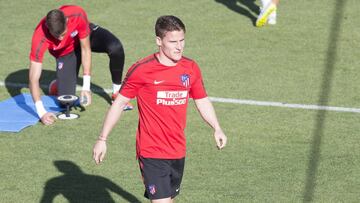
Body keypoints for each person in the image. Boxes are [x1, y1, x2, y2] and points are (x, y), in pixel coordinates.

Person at [92, 15, 227, 203]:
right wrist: (102, 139)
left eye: (182, 40)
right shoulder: (141, 70)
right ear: (158, 41)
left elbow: (201, 100)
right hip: (151, 151)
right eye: (173, 41)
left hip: (178, 150)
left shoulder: (190, 68)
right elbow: (119, 104)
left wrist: (216, 127)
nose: (179, 46)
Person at [29, 5, 132, 125]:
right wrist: (41, 112)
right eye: (57, 36)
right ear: (48, 28)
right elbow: (33, 79)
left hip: (83, 37)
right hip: (66, 53)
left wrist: (86, 87)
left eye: (63, 34)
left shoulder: (77, 14)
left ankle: (117, 92)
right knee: (66, 102)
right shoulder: (39, 36)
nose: (61, 39)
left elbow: (85, 49)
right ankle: (58, 84)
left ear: (67, 21)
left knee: (115, 48)